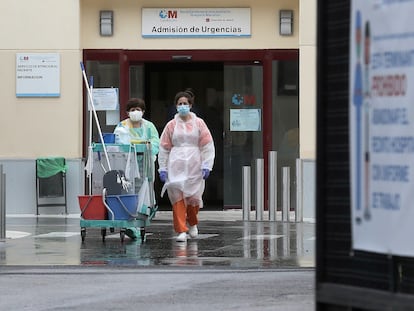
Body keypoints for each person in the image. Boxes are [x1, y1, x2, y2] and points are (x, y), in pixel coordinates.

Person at [158, 91, 215, 242]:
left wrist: (207, 165)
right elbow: (164, 147)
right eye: (179, 104)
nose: (182, 106)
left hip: (194, 163)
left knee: (193, 197)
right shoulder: (171, 125)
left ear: (190, 105)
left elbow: (207, 145)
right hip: (176, 162)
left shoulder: (199, 123)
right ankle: (181, 229)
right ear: (176, 106)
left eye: (185, 103)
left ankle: (193, 222)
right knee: (177, 197)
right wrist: (162, 168)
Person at [113, 98, 160, 239]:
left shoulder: (149, 126)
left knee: (142, 192)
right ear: (127, 112)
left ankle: (139, 222)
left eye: (138, 109)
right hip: (126, 163)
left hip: (144, 163)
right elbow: (117, 142)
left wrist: (147, 148)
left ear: (143, 111)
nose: (135, 112)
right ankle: (128, 224)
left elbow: (156, 142)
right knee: (126, 190)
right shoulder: (122, 126)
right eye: (132, 110)